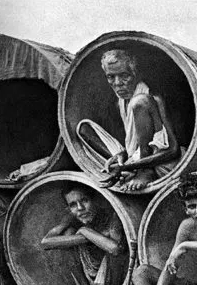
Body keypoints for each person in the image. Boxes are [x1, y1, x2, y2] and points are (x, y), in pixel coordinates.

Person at [75, 49, 180, 192]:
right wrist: (122, 156)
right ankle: (122, 165)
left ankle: (145, 171)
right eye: (111, 77)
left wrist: (128, 167)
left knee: (140, 102)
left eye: (124, 76)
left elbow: (174, 150)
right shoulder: (120, 103)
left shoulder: (152, 98)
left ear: (136, 74)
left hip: (157, 159)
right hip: (134, 158)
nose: (118, 83)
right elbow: (133, 143)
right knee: (84, 128)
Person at [40, 183, 125, 285]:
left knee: (115, 244)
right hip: (89, 270)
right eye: (73, 205)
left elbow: (115, 249)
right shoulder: (71, 217)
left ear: (95, 200)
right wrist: (86, 238)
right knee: (67, 233)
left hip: (113, 273)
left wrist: (86, 231)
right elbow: (46, 243)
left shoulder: (111, 216)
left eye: (84, 200)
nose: (80, 208)